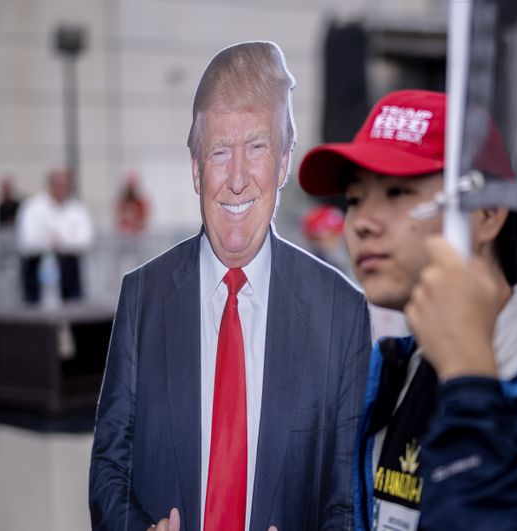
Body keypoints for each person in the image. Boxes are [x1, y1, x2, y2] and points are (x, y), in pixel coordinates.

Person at [299, 89, 517, 530]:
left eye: (397, 191)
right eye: (353, 200)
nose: (364, 222)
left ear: (485, 214)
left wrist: (470, 384)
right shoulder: (399, 368)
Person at [89, 41, 372, 531]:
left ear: (283, 162)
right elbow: (108, 470)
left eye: (257, 147)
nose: (237, 179)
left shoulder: (340, 312)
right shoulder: (142, 298)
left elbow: (348, 503)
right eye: (220, 151)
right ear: (196, 168)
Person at [16, 167, 94, 303]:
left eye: (64, 185)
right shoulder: (33, 206)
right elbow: (27, 240)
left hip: (69, 271)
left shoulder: (77, 208)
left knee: (73, 308)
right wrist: (60, 241)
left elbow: (85, 240)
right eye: (58, 184)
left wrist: (60, 241)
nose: (61, 189)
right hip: (37, 269)